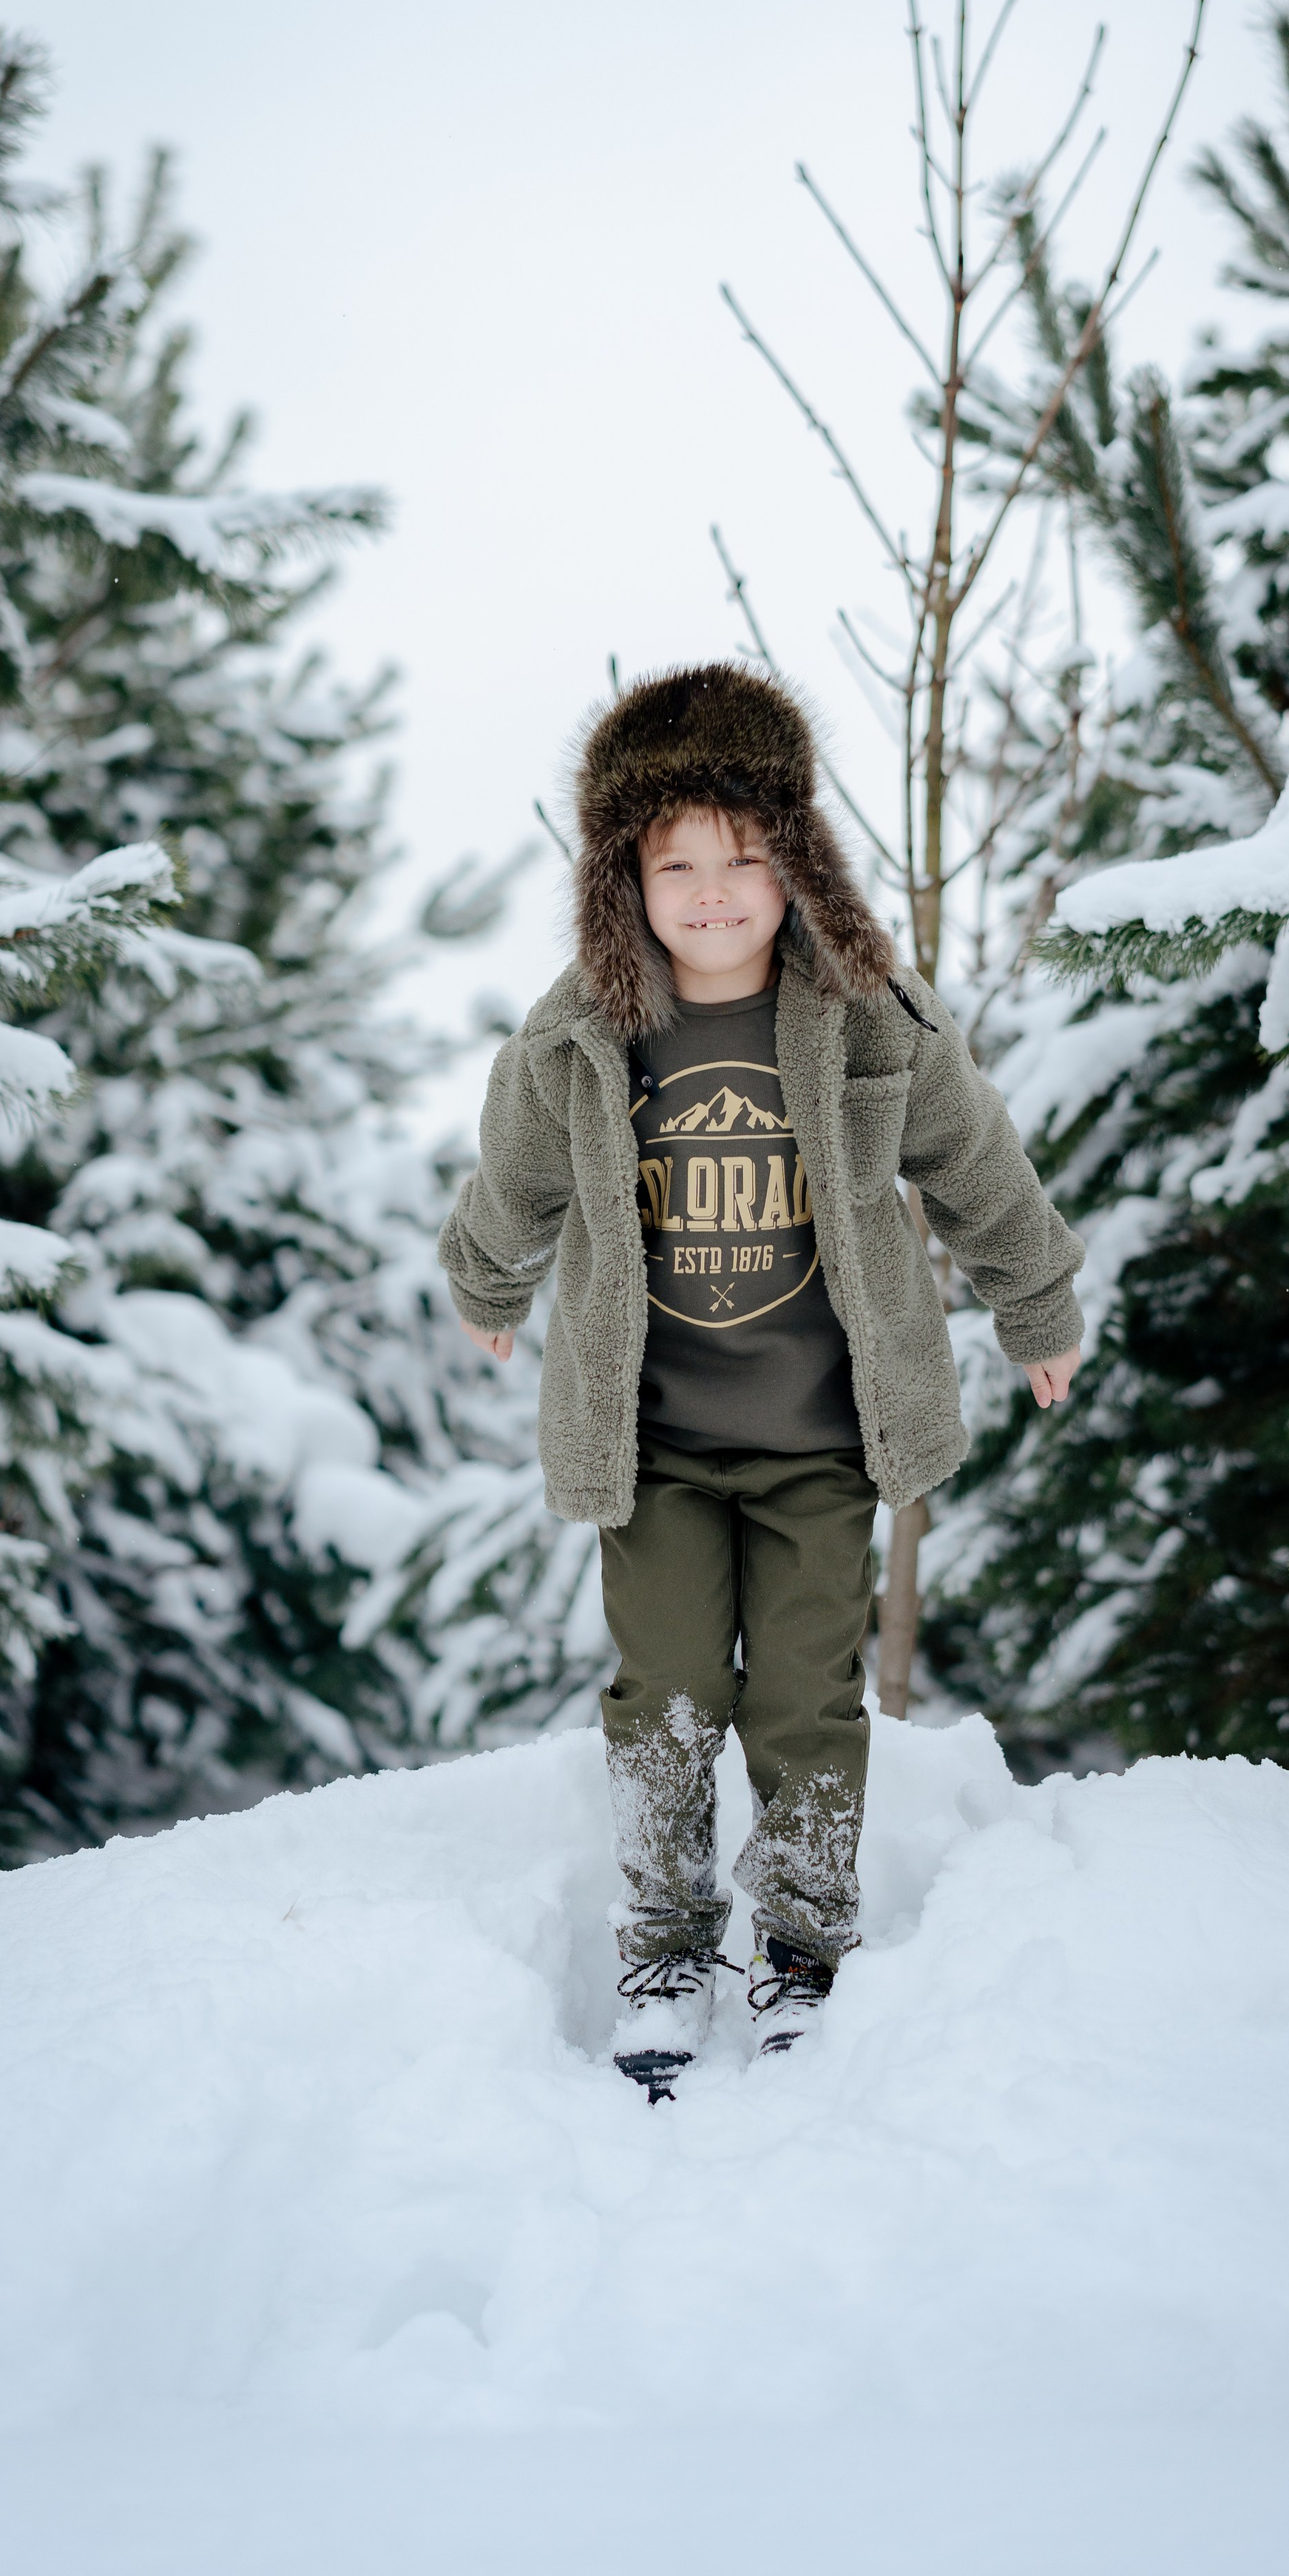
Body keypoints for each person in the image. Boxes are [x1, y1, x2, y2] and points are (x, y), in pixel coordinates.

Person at [439, 664, 1083, 2100]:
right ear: (623, 879)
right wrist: (486, 1283)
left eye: (745, 857)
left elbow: (971, 1164)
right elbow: (518, 1181)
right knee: (663, 1692)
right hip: (653, 1447)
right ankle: (665, 1944)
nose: (714, 891)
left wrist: (1033, 1305)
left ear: (797, 862)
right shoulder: (575, 1043)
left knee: (805, 1700)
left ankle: (799, 1941)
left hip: (817, 1445)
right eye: (676, 864)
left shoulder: (866, 1018)